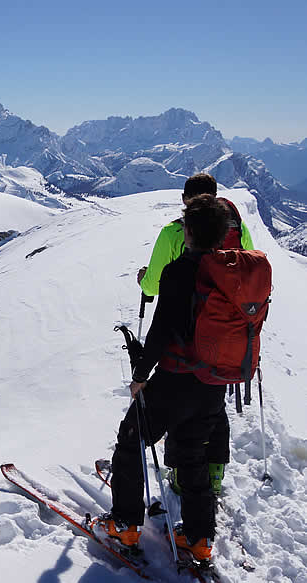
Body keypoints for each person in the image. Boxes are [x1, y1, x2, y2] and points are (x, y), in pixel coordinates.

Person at [95, 195, 238, 561]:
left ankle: (126, 525)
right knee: (192, 455)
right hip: (213, 386)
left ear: (186, 231)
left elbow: (160, 332)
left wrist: (141, 375)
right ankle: (200, 538)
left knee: (131, 441)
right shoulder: (230, 275)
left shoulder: (178, 272)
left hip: (175, 381)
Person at [137, 173, 254, 496]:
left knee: (183, 406)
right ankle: (214, 472)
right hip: (227, 336)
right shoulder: (237, 228)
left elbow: (155, 284)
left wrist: (142, 280)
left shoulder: (174, 232)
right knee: (213, 403)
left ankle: (182, 474)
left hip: (185, 337)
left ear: (185, 201)